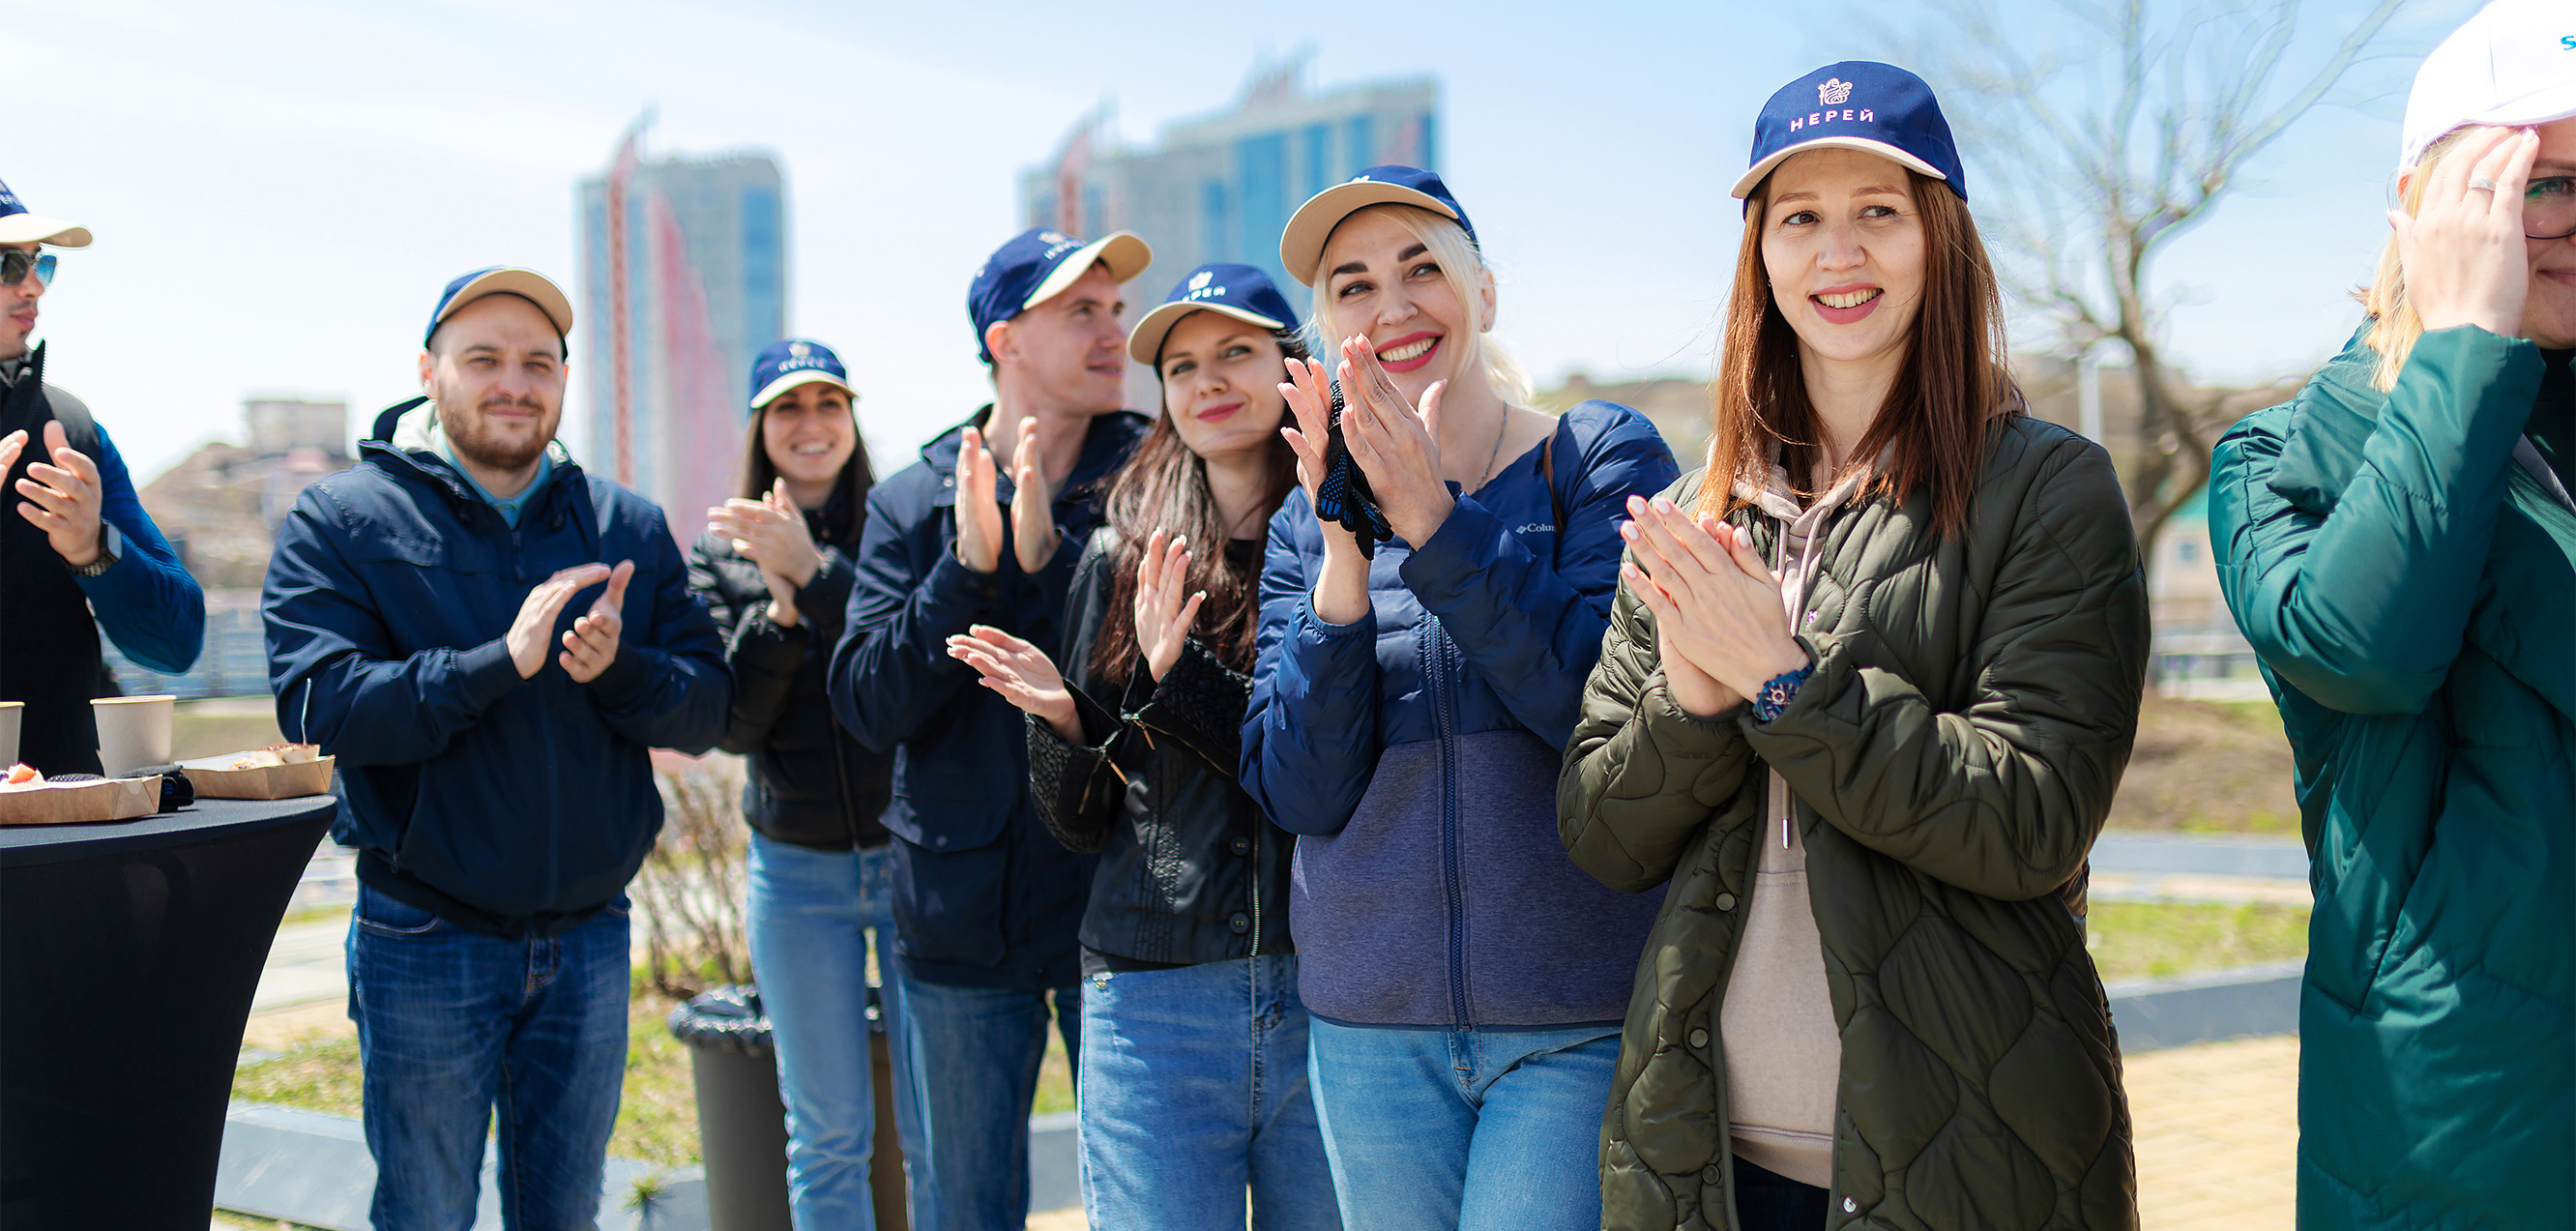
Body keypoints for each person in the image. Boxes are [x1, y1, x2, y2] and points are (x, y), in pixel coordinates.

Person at [1556, 64, 2147, 1230]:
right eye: (1800, 219)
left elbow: (2034, 815)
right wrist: (1692, 702)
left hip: (1970, 1153)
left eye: (1879, 212)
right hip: (1707, 1161)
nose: (1839, 254)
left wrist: (1784, 682)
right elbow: (1602, 836)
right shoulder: (1695, 517)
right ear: (1761, 256)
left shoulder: (2049, 490)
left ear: (1941, 240)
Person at [1239, 167, 1680, 1231]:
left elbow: (1605, 714)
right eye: (1354, 286)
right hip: (1368, 1028)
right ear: (1329, 329)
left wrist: (1436, 522)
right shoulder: (1304, 523)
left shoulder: (1597, 456)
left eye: (1421, 269)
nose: (1392, 307)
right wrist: (1345, 563)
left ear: (1484, 292)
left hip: (1577, 1014)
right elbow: (1300, 791)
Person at [263, 268, 729, 1229]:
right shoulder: (343, 520)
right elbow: (320, 706)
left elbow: (706, 710)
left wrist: (619, 671)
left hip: (592, 937)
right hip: (424, 933)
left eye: (538, 363)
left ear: (563, 379)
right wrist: (495, 665)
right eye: (484, 360)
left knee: (565, 1214)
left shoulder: (625, 525)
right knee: (426, 1212)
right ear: (427, 371)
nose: (514, 383)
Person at [2208, 4, 2574, 1222]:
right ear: (2419, 202)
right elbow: (2364, 652)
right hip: (2461, 1124)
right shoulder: (2285, 454)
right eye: (2541, 184)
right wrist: (2466, 341)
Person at [947, 263, 1340, 1231]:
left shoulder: (1346, 545)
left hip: (1326, 991)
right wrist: (1064, 725)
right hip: (1153, 1000)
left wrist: (1182, 681)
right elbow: (1080, 824)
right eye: (1182, 366)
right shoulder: (1119, 554)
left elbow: (1326, 770)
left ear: (1292, 365)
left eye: (1236, 353)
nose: (1209, 382)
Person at [828, 226, 1153, 1231]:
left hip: (1123, 913)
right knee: (964, 1206)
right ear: (1005, 340)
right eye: (1081, 311)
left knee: (1145, 1204)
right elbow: (867, 704)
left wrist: (1050, 561)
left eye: (1115, 309)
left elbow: (1153, 686)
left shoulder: (1158, 475)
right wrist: (963, 572)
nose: (1115, 332)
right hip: (958, 921)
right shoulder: (914, 497)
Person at [687, 338, 921, 1230]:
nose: (811, 423)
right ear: (760, 428)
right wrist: (781, 612)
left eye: (829, 403)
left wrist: (818, 576)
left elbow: (911, 666)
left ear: (852, 419)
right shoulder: (720, 551)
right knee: (825, 1134)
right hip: (794, 874)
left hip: (910, 858)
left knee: (931, 1123)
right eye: (788, 406)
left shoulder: (899, 525)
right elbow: (732, 725)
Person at [0, 178, 203, 774]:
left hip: (70, 811)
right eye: (9, 265)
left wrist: (94, 550)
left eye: (40, 264)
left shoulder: (72, 428)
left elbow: (176, 644)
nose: (34, 286)